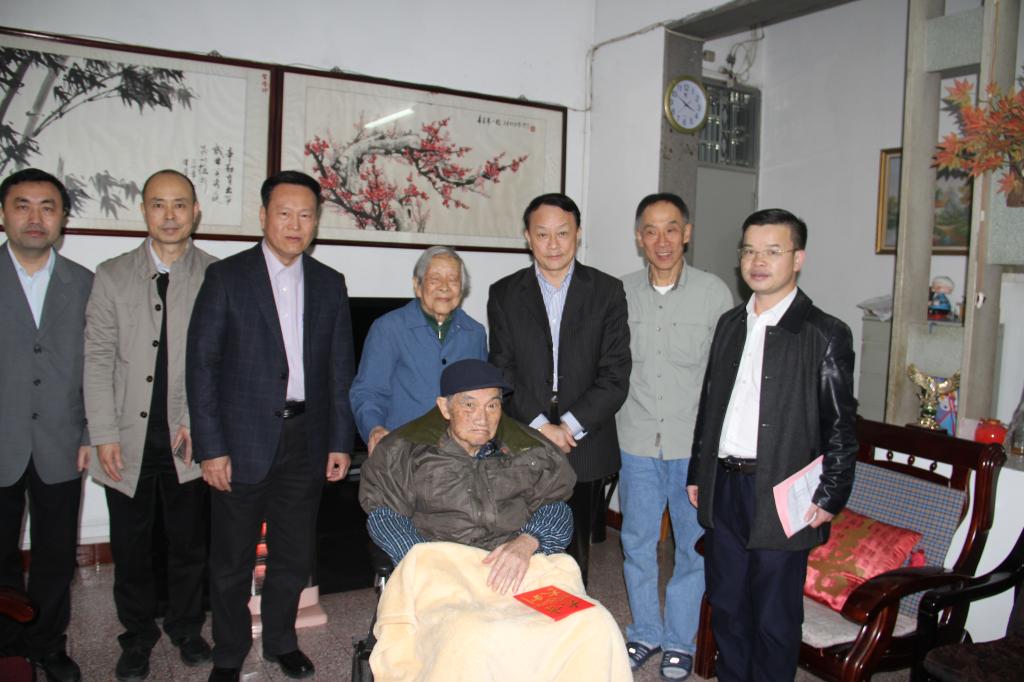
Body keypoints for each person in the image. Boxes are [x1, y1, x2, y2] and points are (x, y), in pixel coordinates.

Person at [359, 359, 632, 681]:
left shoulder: (529, 450)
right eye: (469, 405)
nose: (482, 418)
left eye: (492, 405)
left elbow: (555, 506)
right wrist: (433, 562)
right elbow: (384, 514)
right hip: (446, 580)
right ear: (444, 407)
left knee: (592, 624)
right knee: (472, 638)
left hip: (520, 574)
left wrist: (527, 542)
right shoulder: (406, 452)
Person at [186, 170, 356, 682]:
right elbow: (202, 366)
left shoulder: (329, 282)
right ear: (263, 216)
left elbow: (340, 368)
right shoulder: (227, 277)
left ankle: (282, 640)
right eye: (284, 213)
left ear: (316, 222)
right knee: (231, 558)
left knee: (294, 553)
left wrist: (339, 441)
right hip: (240, 441)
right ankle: (229, 652)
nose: (295, 224)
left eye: (306, 215)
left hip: (307, 436)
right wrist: (211, 447)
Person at [686, 208, 857, 682]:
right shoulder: (730, 323)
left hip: (782, 492)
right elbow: (711, 406)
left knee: (774, 619)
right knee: (727, 606)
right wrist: (699, 472)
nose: (757, 261)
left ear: (798, 258)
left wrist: (830, 494)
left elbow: (841, 425)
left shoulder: (824, 332)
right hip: (725, 485)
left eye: (772, 251)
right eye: (749, 251)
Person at [83, 169, 216, 680]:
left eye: (180, 204)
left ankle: (186, 628)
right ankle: (136, 635)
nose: (169, 215)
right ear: (144, 211)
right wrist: (103, 434)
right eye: (158, 204)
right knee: (132, 547)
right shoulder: (112, 274)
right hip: (126, 438)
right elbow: (97, 359)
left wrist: (199, 422)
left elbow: (218, 359)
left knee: (189, 544)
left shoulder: (215, 275)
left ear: (195, 211)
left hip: (187, 438)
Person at [616, 193, 733, 679]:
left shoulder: (714, 293)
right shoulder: (619, 293)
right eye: (650, 230)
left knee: (693, 547)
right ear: (639, 237)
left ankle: (680, 639)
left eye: (670, 229)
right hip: (636, 442)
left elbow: (725, 377)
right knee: (637, 542)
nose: (661, 240)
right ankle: (645, 630)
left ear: (687, 233)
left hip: (692, 448)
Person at [488, 193, 630, 585]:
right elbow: (502, 368)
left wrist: (568, 426)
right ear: (527, 237)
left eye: (562, 233)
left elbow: (615, 373)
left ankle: (569, 618)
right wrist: (541, 426)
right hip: (523, 432)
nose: (553, 244)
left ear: (578, 234)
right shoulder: (504, 293)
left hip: (584, 438)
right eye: (542, 234)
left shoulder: (607, 291)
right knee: (518, 545)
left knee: (573, 553)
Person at [0, 168, 93, 682]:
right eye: (23, 205)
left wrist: (90, 435)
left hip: (62, 440)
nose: (35, 218)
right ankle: (8, 646)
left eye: (47, 207)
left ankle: (47, 644)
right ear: (3, 214)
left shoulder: (84, 283)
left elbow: (100, 367)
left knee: (57, 554)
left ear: (62, 218)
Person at [350, 245, 486, 454]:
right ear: (417, 285)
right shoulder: (388, 328)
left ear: (462, 289)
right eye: (435, 279)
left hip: (461, 452)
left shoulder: (475, 333)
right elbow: (368, 391)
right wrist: (374, 428)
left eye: (453, 280)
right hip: (403, 450)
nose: (444, 287)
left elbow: (482, 396)